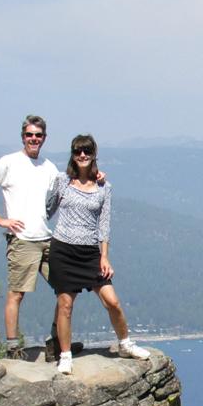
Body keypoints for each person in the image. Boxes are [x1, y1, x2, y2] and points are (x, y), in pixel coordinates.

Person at [0, 114, 83, 361]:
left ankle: (56, 344)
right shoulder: (9, 163)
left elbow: (69, 185)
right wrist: (0, 219)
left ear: (44, 138)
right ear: (23, 137)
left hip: (48, 239)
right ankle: (13, 349)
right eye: (30, 135)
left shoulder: (48, 167)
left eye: (38, 135)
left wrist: (96, 176)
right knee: (17, 293)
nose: (34, 139)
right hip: (22, 240)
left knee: (67, 287)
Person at [47, 134, 149, 374]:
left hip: (91, 252)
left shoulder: (104, 187)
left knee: (112, 301)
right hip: (63, 249)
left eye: (87, 151)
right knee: (65, 304)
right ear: (72, 155)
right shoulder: (62, 181)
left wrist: (104, 256)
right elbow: (47, 209)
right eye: (78, 151)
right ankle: (65, 355)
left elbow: (104, 224)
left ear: (93, 154)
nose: (82, 155)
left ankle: (125, 344)